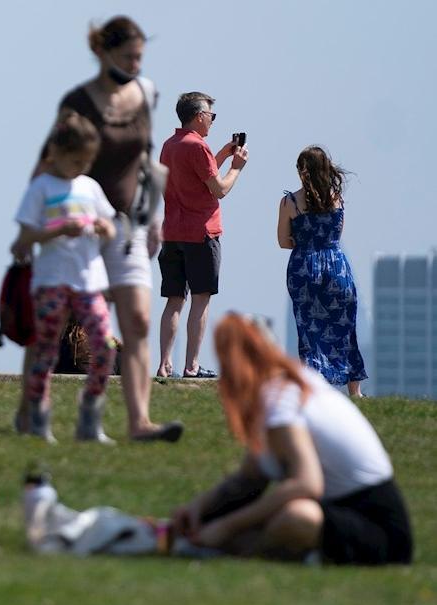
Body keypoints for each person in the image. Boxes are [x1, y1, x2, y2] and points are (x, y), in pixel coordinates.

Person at [168, 314, 411, 564]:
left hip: (377, 528)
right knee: (277, 515)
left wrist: (226, 527)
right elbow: (249, 478)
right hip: (336, 510)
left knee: (297, 517)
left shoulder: (282, 399)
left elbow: (307, 484)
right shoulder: (283, 388)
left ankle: (224, 547)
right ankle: (212, 540)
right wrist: (198, 507)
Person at [43, 16, 181, 442]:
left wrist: (155, 216)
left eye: (141, 57)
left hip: (130, 223)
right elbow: (54, 158)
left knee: (137, 319)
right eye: (129, 57)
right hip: (84, 223)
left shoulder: (145, 95)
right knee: (68, 318)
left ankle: (139, 421)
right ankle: (43, 406)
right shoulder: (79, 101)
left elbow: (147, 159)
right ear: (104, 53)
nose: (137, 65)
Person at [11, 111, 118, 444]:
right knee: (45, 351)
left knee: (104, 345)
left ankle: (90, 415)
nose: (80, 168)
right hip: (52, 281)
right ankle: (39, 417)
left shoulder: (90, 187)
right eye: (75, 161)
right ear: (56, 153)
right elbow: (22, 241)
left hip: (88, 281)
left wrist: (104, 228)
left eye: (86, 161)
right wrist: (57, 229)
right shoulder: (41, 188)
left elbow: (112, 228)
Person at [156, 92, 248, 379]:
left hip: (172, 232)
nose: (212, 121)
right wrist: (236, 168)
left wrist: (221, 153)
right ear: (199, 116)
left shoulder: (169, 146)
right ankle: (192, 366)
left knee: (173, 299)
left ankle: (164, 363)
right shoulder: (198, 148)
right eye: (211, 115)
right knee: (200, 298)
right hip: (201, 232)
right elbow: (218, 189)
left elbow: (194, 176)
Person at [278, 146, 366, 397]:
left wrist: (304, 242)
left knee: (308, 329)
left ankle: (313, 388)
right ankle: (354, 390)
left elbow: (283, 241)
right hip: (336, 267)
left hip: (304, 267)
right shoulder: (337, 198)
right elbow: (337, 235)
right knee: (344, 327)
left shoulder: (289, 202)